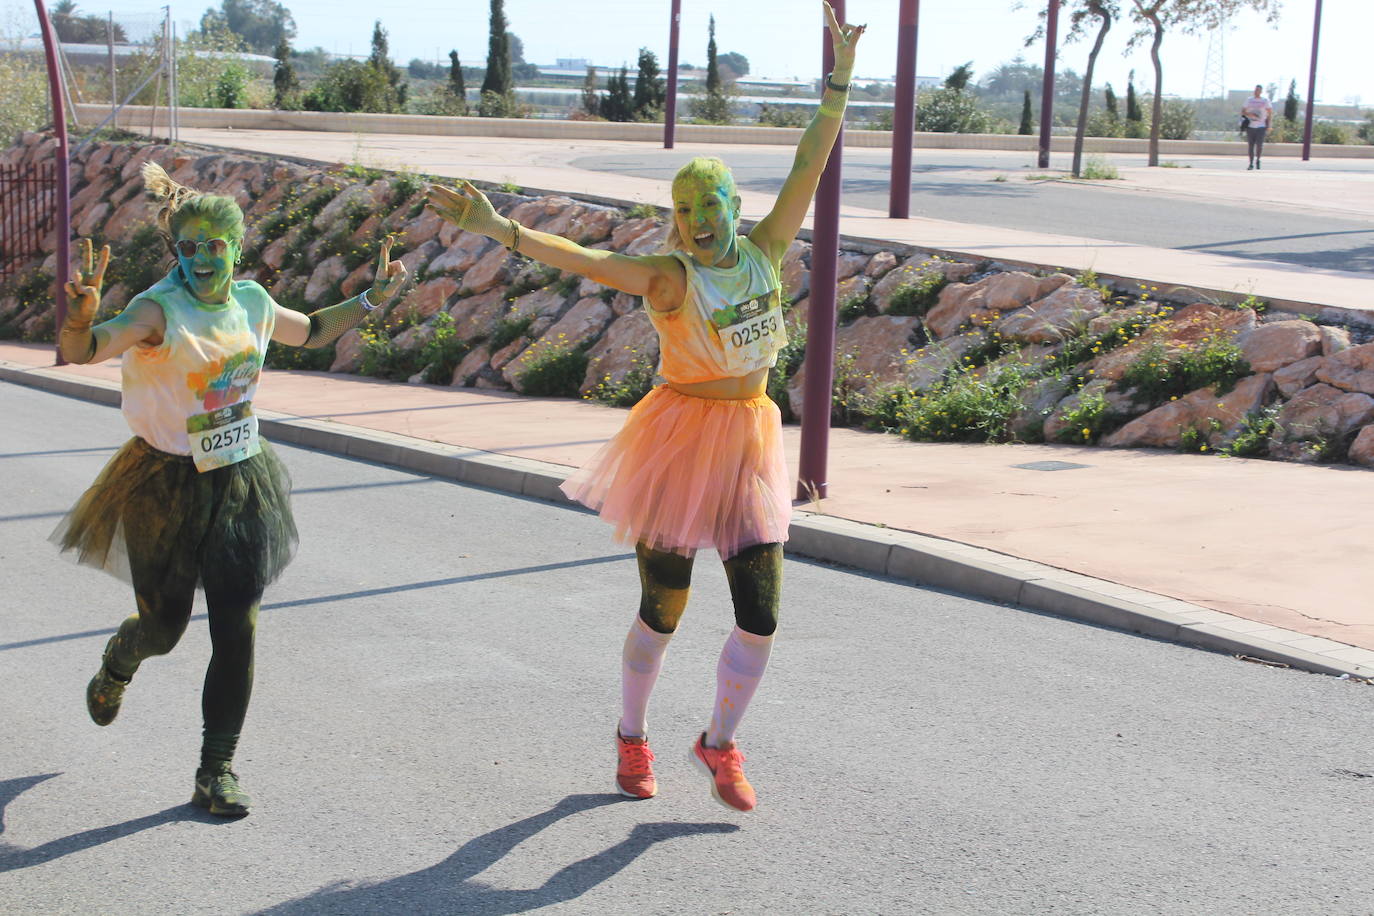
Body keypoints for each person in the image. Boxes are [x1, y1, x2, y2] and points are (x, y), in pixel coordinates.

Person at [426, 2, 863, 813]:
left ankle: (720, 744)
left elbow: (808, 160)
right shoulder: (669, 276)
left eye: (710, 205)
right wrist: (502, 229)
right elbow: (586, 259)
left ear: (735, 206)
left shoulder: (768, 249)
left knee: (761, 618)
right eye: (684, 208)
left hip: (751, 440)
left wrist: (836, 82)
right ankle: (632, 736)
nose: (697, 221)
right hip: (680, 437)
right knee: (663, 609)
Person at [53, 162, 407, 817]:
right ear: (176, 254)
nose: (201, 260)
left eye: (215, 247)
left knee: (237, 629)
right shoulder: (157, 311)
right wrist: (78, 324)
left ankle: (215, 772)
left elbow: (313, 331)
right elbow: (91, 348)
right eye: (187, 248)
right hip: (163, 484)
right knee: (165, 627)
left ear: (236, 249)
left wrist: (371, 297)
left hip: (241, 478)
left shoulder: (254, 303)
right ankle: (123, 657)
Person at [1241, 85, 1273, 170]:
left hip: (1261, 126)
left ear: (1261, 91)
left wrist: (1269, 125)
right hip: (1250, 126)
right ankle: (1251, 163)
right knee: (1251, 145)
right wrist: (1250, 114)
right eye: (1255, 90)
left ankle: (1258, 159)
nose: (1256, 91)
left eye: (1258, 90)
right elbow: (1243, 111)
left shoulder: (1265, 100)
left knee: (1259, 145)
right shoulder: (1249, 100)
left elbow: (1269, 113)